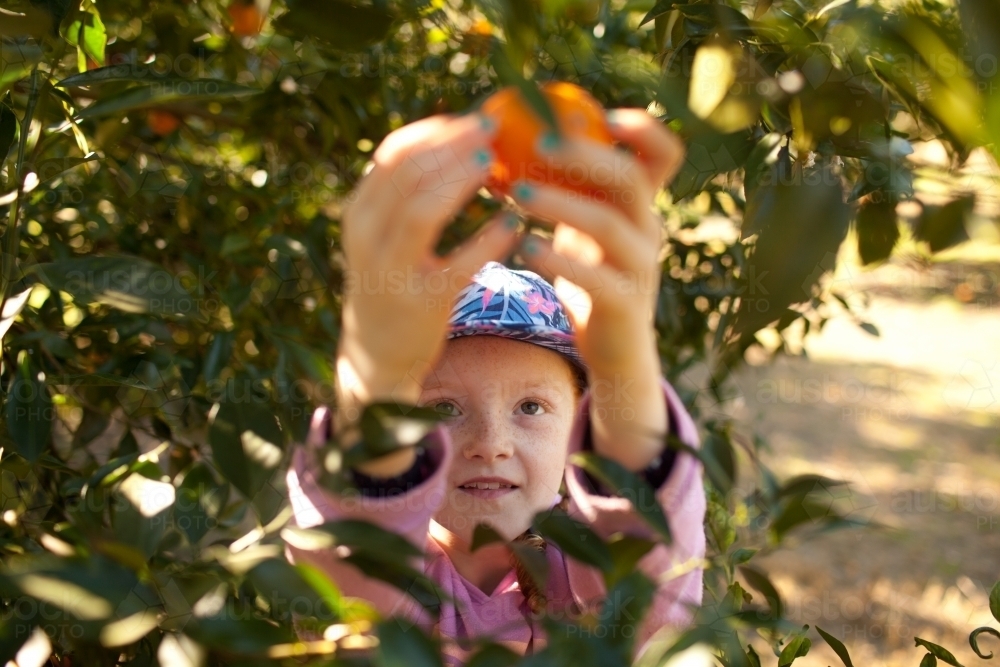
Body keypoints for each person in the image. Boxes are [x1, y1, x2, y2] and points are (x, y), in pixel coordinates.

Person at [284, 106, 706, 665]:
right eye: (443, 408)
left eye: (531, 406)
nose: (490, 442)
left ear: (579, 426)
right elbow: (350, 583)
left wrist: (623, 368)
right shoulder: (399, 587)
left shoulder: (580, 575)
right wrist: (377, 380)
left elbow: (648, 589)